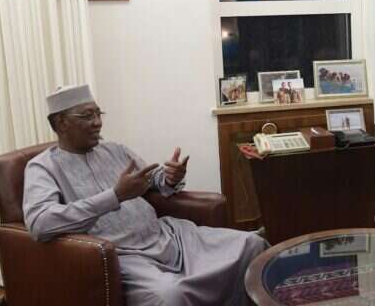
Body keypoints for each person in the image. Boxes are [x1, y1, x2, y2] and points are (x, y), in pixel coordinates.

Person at [23, 84, 268, 306]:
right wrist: (115, 196)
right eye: (88, 116)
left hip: (168, 236)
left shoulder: (114, 150)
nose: (97, 122)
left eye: (99, 114)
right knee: (169, 296)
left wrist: (170, 177)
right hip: (125, 255)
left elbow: (150, 178)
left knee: (252, 245)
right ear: (61, 123)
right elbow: (40, 223)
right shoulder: (42, 167)